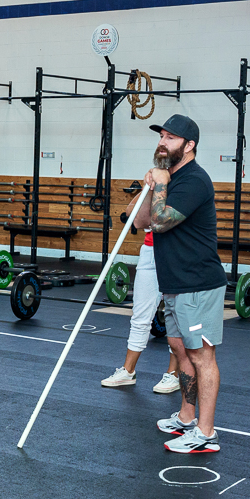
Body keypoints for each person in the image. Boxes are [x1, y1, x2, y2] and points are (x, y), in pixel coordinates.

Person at [135, 115, 229, 455]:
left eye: (171, 138)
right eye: (161, 136)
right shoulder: (169, 178)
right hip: (174, 282)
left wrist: (161, 184)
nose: (162, 142)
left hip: (197, 283)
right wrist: (150, 186)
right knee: (179, 348)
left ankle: (206, 432)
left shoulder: (194, 181)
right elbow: (140, 221)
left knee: (202, 355)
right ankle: (187, 417)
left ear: (189, 146)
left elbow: (161, 224)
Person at [101, 191, 180, 394]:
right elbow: (131, 215)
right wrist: (148, 187)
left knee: (175, 316)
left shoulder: (183, 185)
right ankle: (128, 371)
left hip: (176, 252)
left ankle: (174, 373)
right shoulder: (155, 187)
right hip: (149, 251)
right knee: (140, 315)